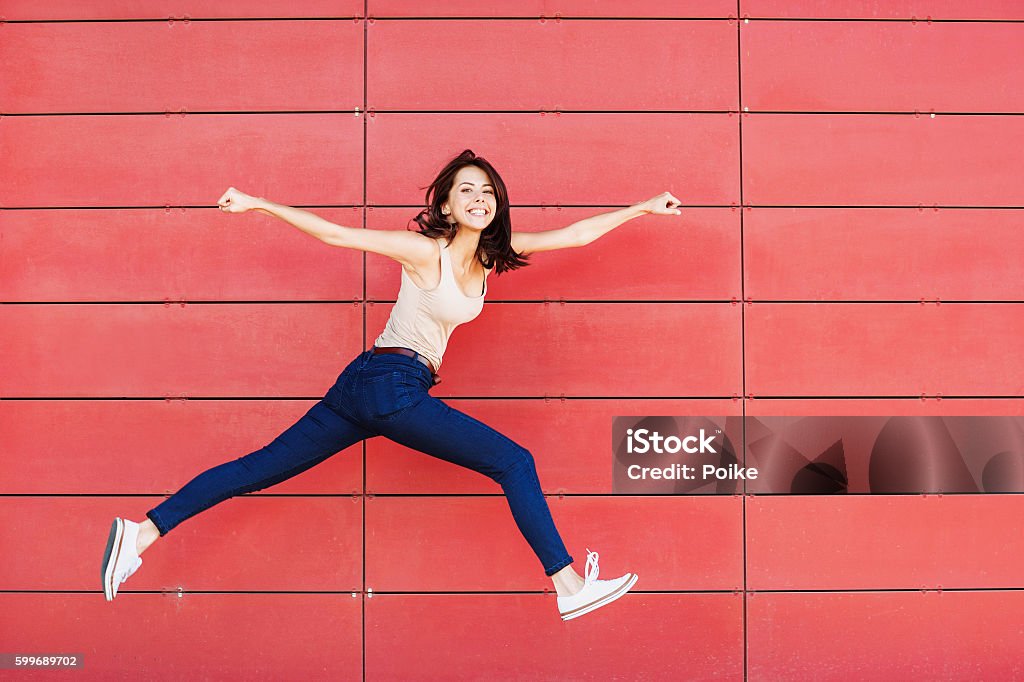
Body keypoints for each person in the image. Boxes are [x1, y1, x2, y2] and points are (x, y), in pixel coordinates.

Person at [102, 149, 682, 621]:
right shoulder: (422, 251)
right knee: (515, 462)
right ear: (448, 207)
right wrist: (259, 204)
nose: (480, 198)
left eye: (488, 191)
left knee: (259, 469)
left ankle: (142, 532)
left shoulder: (492, 256)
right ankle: (568, 583)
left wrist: (642, 209)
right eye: (466, 191)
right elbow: (335, 235)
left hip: (368, 384)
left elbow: (576, 235)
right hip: (390, 384)